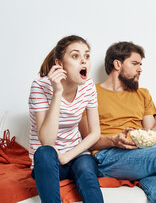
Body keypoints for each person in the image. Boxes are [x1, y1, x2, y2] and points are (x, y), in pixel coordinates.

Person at [83, 42, 156, 203]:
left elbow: (155, 138)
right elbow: (87, 141)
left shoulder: (142, 94)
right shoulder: (90, 93)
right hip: (108, 157)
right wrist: (114, 140)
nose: (140, 69)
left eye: (141, 64)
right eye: (135, 64)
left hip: (140, 156)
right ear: (117, 64)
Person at [28, 35, 104, 203]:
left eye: (87, 56)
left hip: (75, 155)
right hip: (48, 160)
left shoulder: (89, 87)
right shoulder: (39, 87)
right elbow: (47, 141)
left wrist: (67, 156)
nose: (84, 61)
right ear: (59, 64)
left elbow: (95, 133)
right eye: (76, 56)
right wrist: (57, 92)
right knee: (44, 152)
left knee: (88, 175)